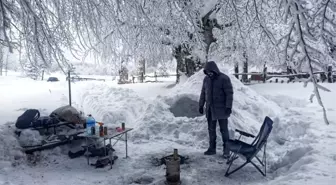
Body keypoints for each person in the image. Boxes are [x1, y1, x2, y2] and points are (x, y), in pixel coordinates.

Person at [199, 61, 234, 158]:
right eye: (207, 72)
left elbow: (229, 94)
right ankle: (212, 148)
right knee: (211, 130)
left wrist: (228, 107)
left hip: (222, 109)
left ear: (215, 70)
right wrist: (201, 105)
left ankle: (226, 150)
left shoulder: (224, 79)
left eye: (210, 72)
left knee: (224, 130)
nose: (209, 74)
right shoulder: (206, 79)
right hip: (210, 109)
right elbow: (203, 93)